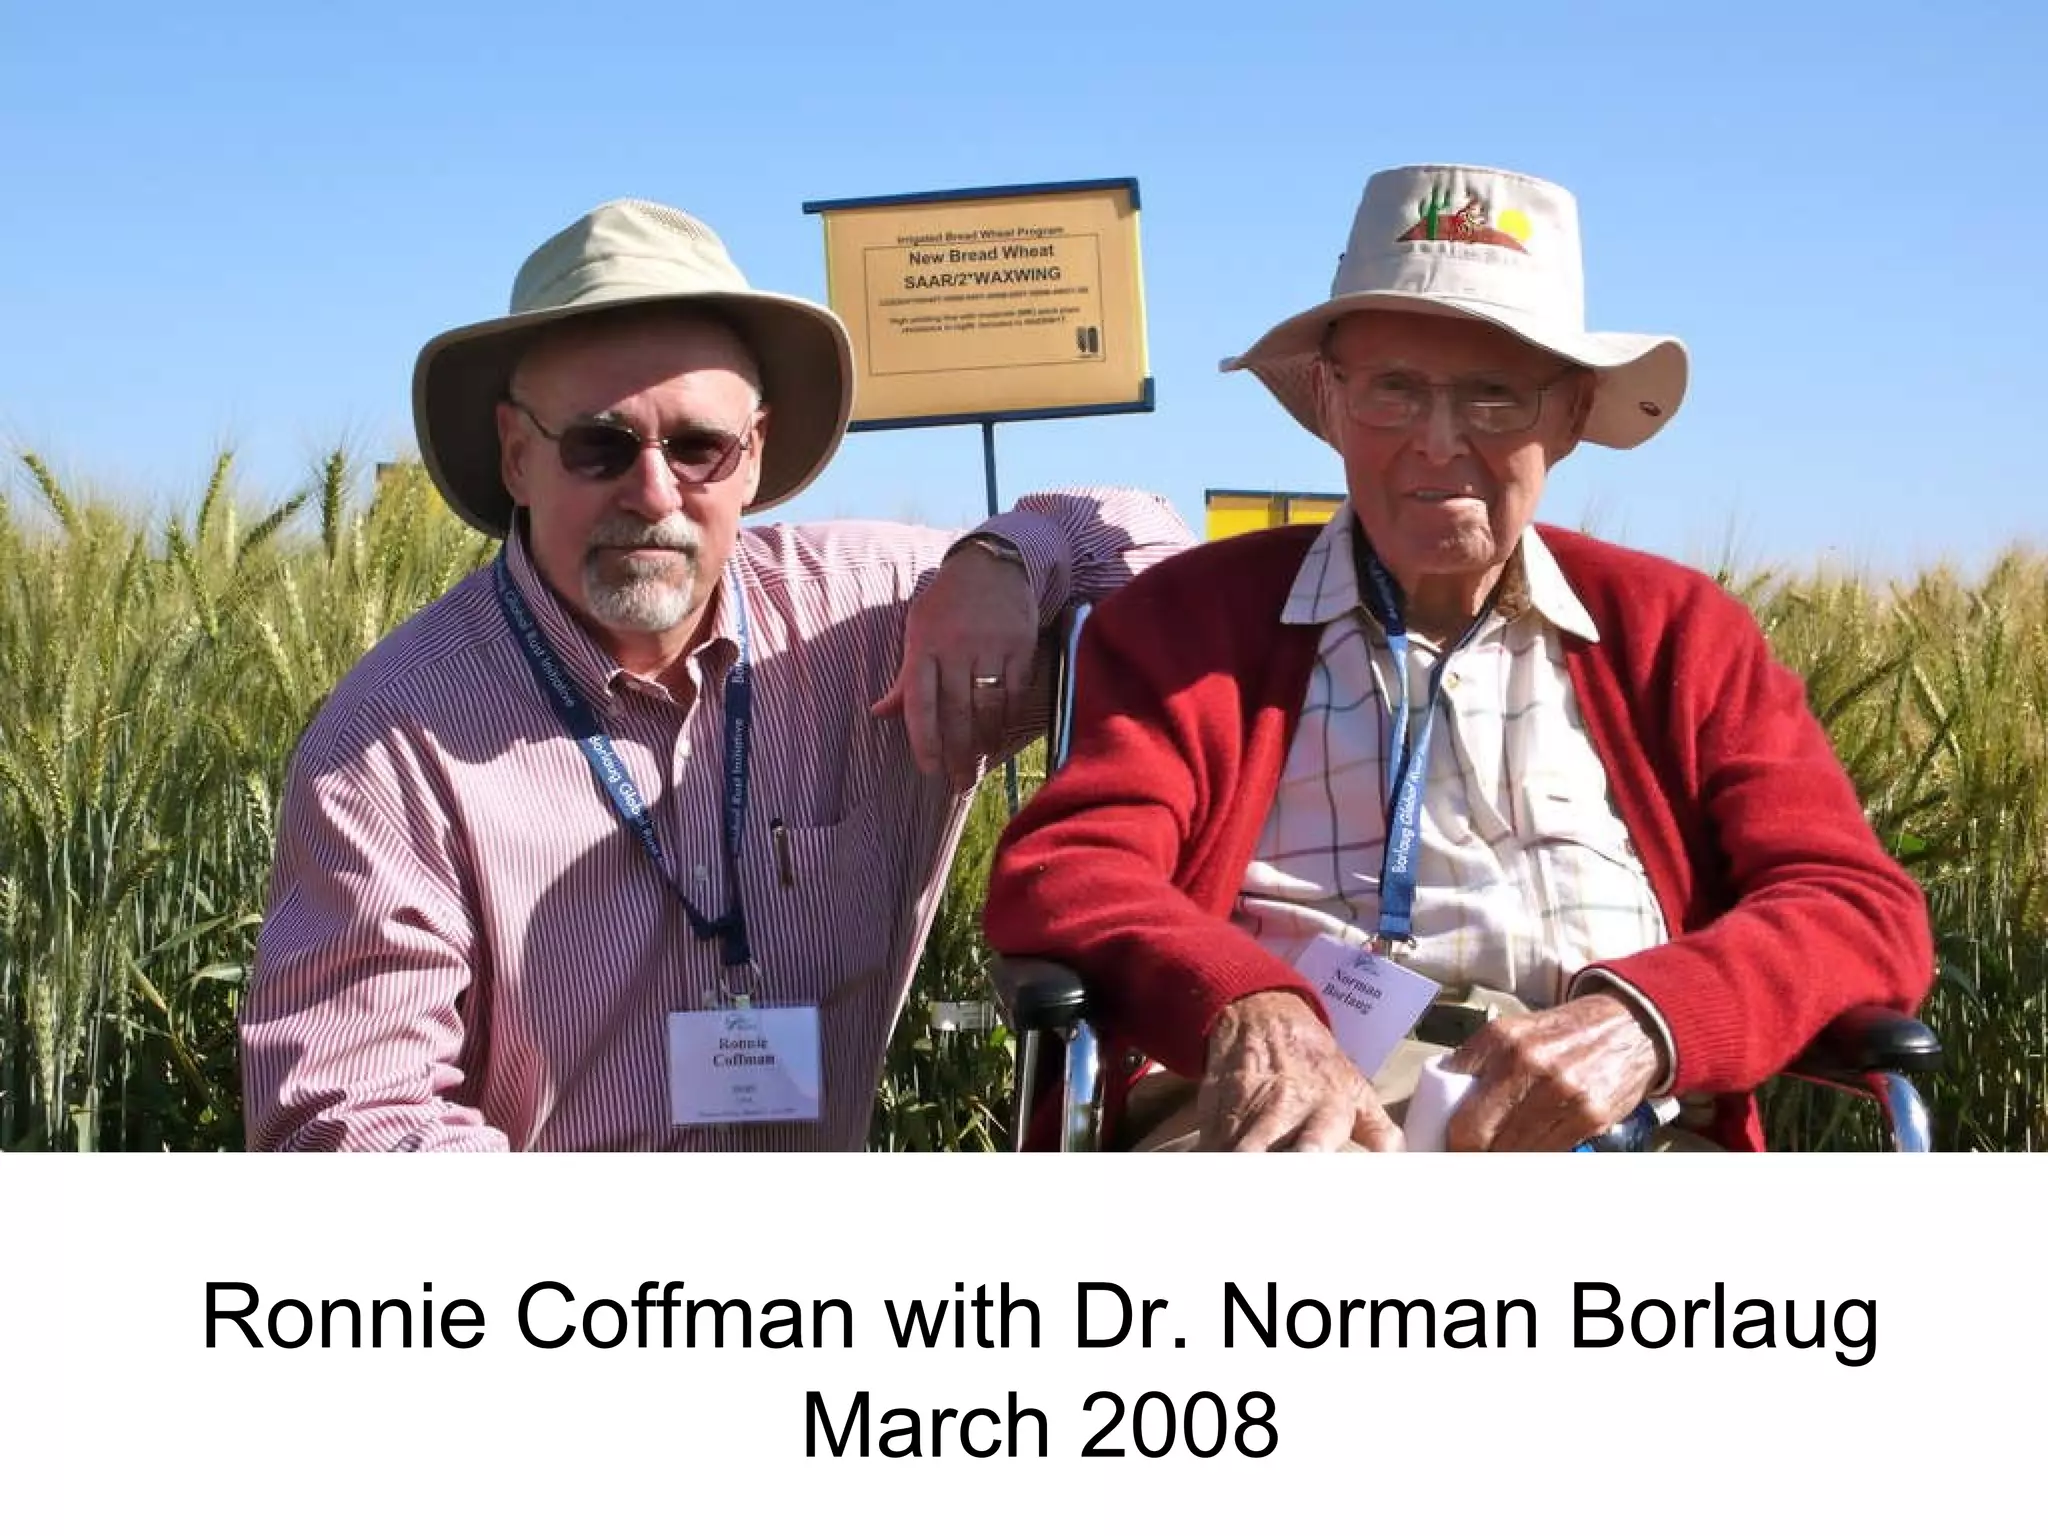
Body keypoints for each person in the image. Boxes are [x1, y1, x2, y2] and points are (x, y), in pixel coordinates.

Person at [984, 163, 1932, 1152]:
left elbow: (1856, 908)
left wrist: (1642, 1023)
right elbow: (1068, 867)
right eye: (1393, 391)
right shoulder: (1190, 620)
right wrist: (1246, 1007)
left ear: (1569, 416)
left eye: (1494, 398)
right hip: (1285, 1120)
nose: (1437, 445)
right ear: (1332, 400)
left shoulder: (1678, 629)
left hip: (1614, 1129)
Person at [239, 198, 1191, 1151]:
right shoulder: (391, 741)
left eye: (699, 447)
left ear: (755, 457)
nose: (654, 493)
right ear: (518, 457)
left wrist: (1004, 562)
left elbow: (1165, 565)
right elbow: (343, 1122)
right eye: (598, 446)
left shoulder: (872, 618)